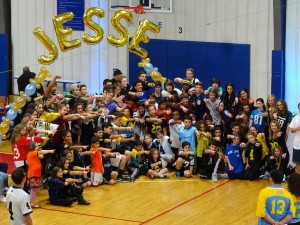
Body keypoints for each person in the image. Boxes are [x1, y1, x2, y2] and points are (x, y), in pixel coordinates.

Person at [27, 142, 55, 208]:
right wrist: (49, 151)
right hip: (33, 174)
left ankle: (31, 202)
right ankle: (32, 203)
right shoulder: (32, 152)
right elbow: (41, 152)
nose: (38, 148)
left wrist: (40, 153)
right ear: (32, 147)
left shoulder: (34, 153)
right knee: (34, 189)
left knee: (34, 190)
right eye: (36, 146)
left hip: (36, 174)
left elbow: (41, 156)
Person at [289, 102, 300, 174]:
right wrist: (297, 128)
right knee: (297, 161)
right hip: (297, 144)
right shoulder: (295, 118)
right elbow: (292, 130)